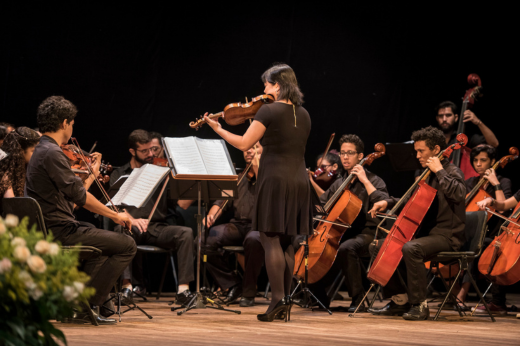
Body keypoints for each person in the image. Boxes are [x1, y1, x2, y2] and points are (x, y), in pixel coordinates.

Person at [203, 63, 312, 322]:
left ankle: (276, 300)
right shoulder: (304, 113)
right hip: (298, 180)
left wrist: (217, 128)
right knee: (285, 241)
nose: (263, 88)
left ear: (277, 85)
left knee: (270, 238)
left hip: (274, 179)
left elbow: (244, 143)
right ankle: (284, 300)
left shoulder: (268, 110)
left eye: (266, 83)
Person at [25, 96, 136, 325]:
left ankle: (78, 305)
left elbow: (72, 200)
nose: (72, 127)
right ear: (65, 123)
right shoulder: (53, 153)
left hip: (53, 226)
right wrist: (117, 215)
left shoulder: (41, 150)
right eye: (73, 123)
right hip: (58, 231)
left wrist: (92, 174)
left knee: (97, 237)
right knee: (127, 245)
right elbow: (81, 198)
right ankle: (86, 304)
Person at [368, 126, 466, 320]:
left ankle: (420, 305)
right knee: (379, 246)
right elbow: (410, 200)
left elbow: (459, 193)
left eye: (421, 151)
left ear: (436, 150)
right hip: (427, 235)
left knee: (411, 248)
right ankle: (400, 300)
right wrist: (387, 202)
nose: (418, 155)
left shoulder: (451, 171)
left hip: (448, 236)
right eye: (416, 151)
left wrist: (439, 171)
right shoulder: (427, 174)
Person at [109, 129, 195, 306]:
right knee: (120, 230)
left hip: (157, 228)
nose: (151, 154)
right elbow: (111, 210)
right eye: (145, 151)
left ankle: (183, 290)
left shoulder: (161, 171)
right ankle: (127, 288)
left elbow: (181, 203)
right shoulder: (119, 174)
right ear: (132, 151)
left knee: (185, 233)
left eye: (153, 150)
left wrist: (193, 180)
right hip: (130, 227)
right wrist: (131, 220)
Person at [312, 134, 389, 312]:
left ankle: (358, 299)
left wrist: (364, 180)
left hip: (369, 232)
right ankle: (318, 297)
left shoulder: (374, 180)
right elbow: (321, 206)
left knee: (347, 248)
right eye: (343, 153)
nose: (345, 157)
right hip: (342, 232)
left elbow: (385, 203)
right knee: (301, 242)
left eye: (350, 153)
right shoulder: (338, 183)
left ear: (360, 156)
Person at [202, 143, 265, 307]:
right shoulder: (237, 178)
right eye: (247, 147)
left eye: (255, 147)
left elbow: (268, 196)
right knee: (205, 239)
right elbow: (220, 201)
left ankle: (249, 291)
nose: (249, 150)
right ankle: (232, 283)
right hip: (238, 226)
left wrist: (259, 168)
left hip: (261, 227)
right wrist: (211, 215)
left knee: (253, 239)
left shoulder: (271, 177)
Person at [453, 144, 512, 311]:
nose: (478, 164)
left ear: (493, 161)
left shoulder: (503, 181)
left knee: (475, 246)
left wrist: (496, 183)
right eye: (475, 160)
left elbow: (502, 208)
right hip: (469, 233)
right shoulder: (469, 183)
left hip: (493, 235)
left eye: (483, 160)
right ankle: (454, 293)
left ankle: (462, 296)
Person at [475, 190, 520, 316]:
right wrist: (491, 201)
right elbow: (505, 205)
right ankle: (498, 302)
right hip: (515, 232)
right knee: (501, 253)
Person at [0, 127, 40, 199]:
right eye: (33, 151)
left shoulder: (21, 170)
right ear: (21, 151)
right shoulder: (5, 176)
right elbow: (12, 206)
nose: (36, 155)